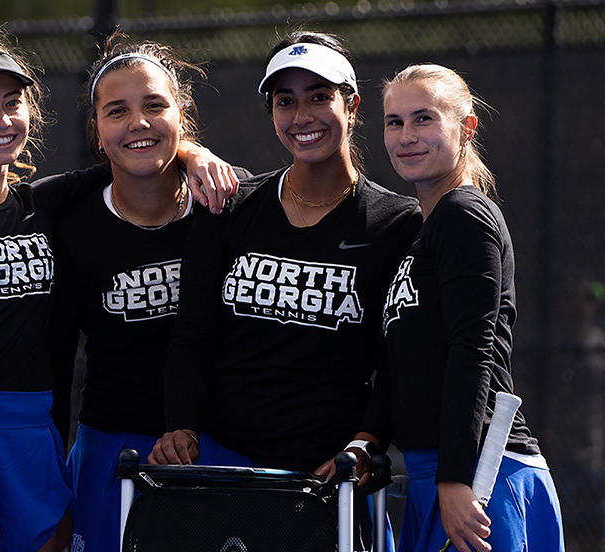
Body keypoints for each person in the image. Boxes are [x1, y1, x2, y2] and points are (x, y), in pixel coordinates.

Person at [0, 24, 238, 552]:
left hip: (31, 438)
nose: (1, 120)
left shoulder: (43, 205)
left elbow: (136, 152)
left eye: (11, 103)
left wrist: (193, 152)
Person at [152, 31, 421, 548]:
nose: (303, 116)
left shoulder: (396, 224)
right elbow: (192, 334)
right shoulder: (229, 207)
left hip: (328, 481)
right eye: (285, 101)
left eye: (320, 97)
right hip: (223, 470)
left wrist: (367, 443)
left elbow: (397, 362)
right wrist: (181, 426)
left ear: (353, 104)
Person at [49, 34, 244, 552]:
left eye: (155, 105)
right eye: (118, 111)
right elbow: (56, 359)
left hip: (213, 447)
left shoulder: (228, 203)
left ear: (182, 117)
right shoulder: (69, 226)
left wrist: (192, 155)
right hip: (111, 449)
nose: (138, 122)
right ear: (96, 133)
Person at [381, 64, 563, 552]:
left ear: (466, 127)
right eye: (394, 122)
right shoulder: (423, 230)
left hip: (479, 476)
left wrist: (457, 480)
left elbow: (473, 350)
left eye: (423, 119)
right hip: (437, 474)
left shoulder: (464, 215)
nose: (406, 136)